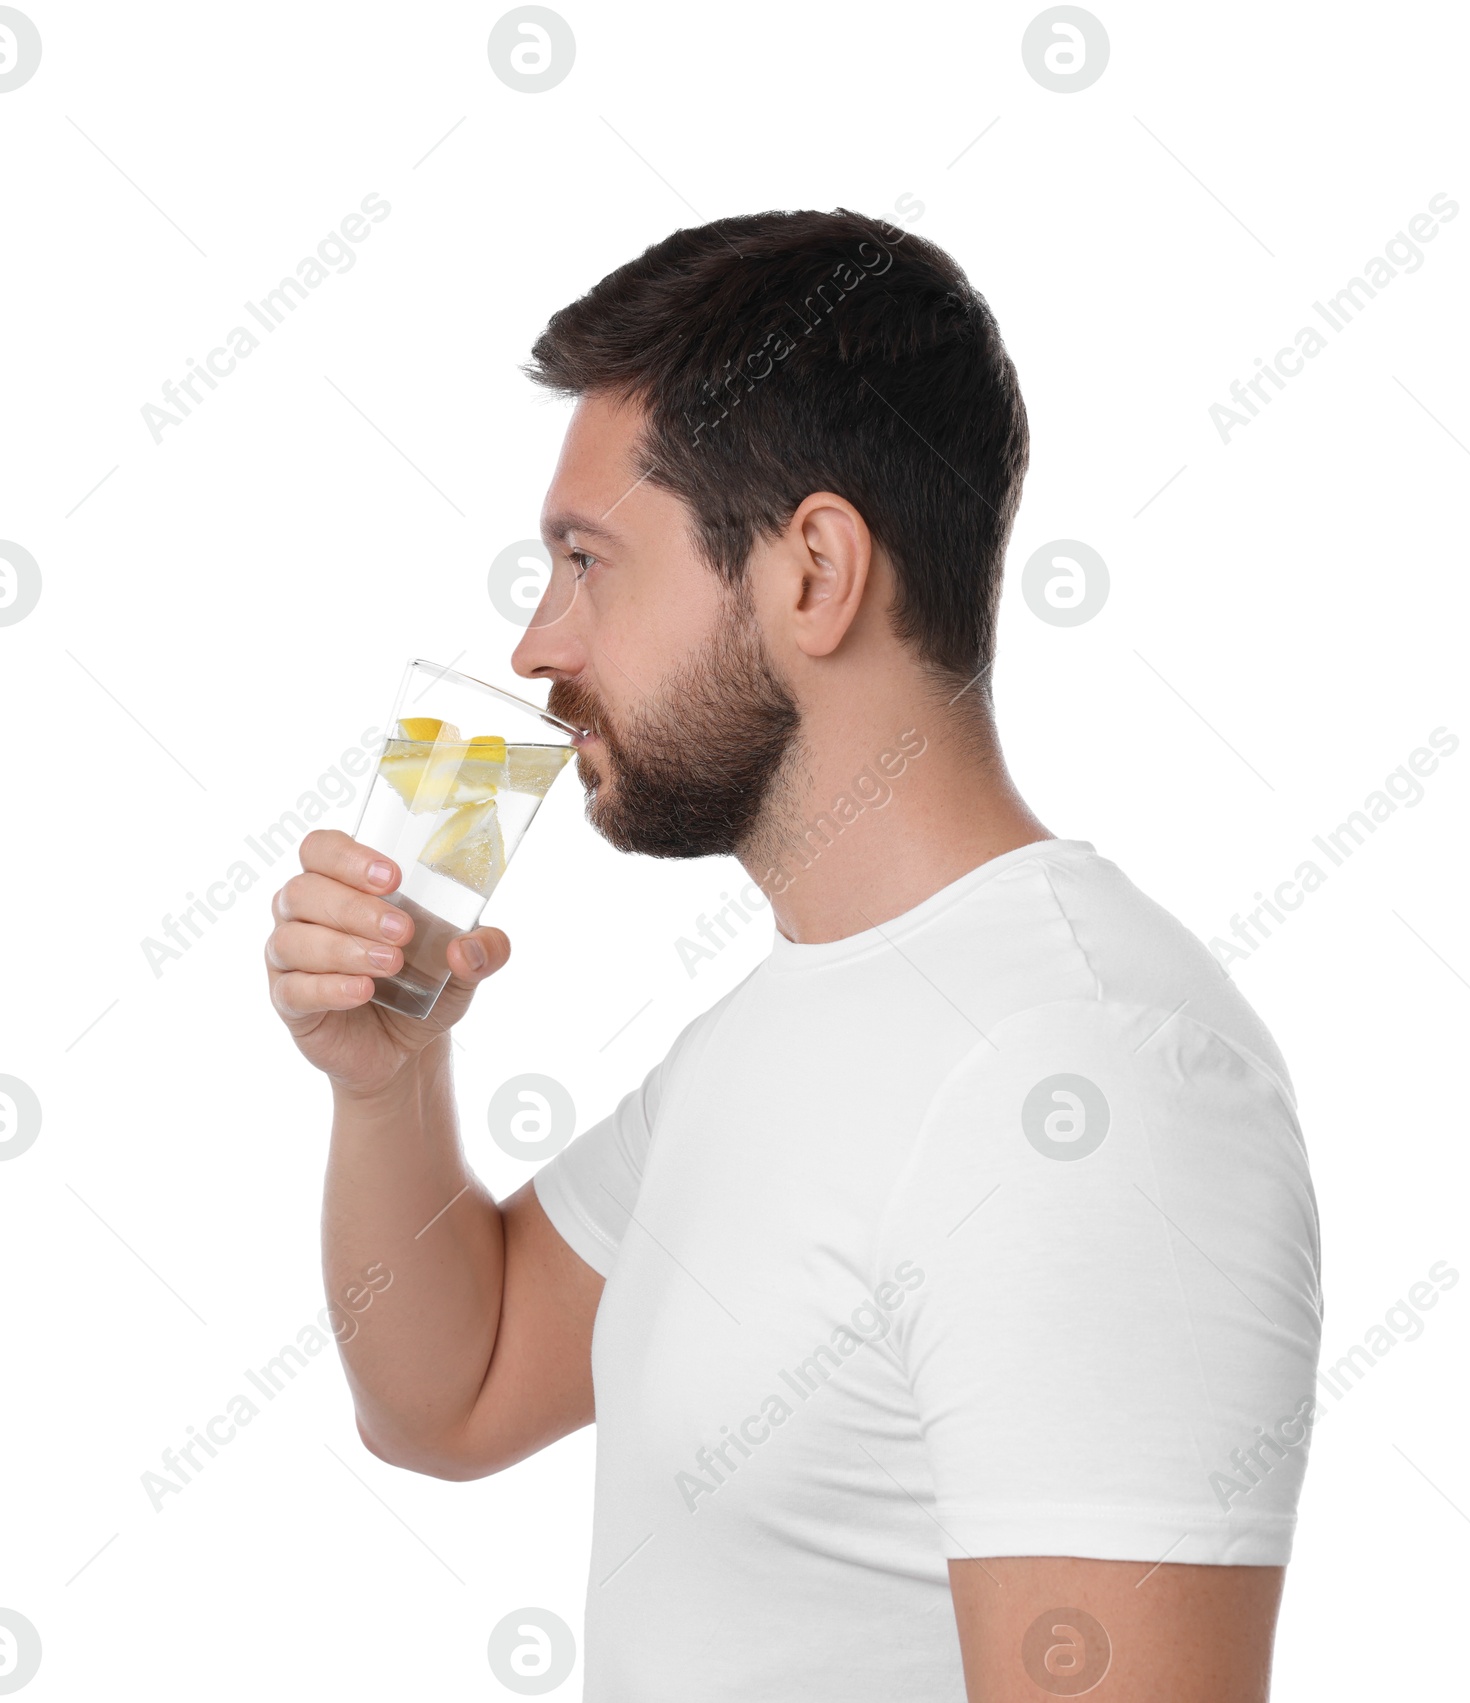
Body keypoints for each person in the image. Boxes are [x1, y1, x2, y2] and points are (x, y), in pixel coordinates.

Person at [264, 209, 1321, 1702]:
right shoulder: (778, 1029)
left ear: (814, 572)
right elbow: (455, 1391)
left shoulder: (1087, 1076)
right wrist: (388, 1083)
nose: (535, 647)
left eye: (586, 563)